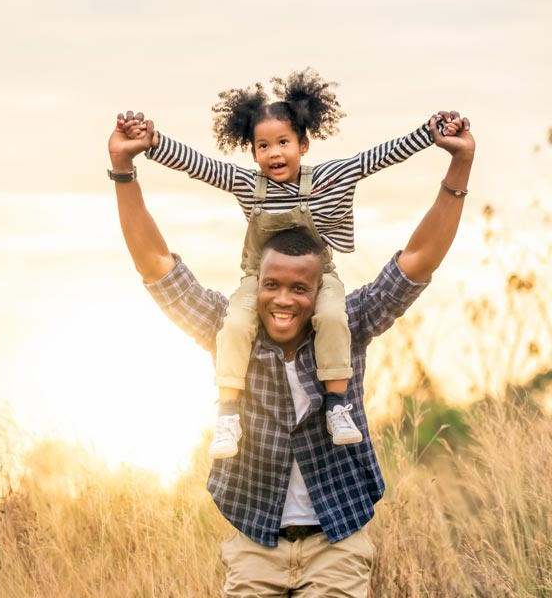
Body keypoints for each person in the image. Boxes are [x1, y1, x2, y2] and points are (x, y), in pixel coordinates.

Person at [108, 109, 474, 596]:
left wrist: (459, 166)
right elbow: (156, 265)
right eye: (272, 285)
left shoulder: (348, 323)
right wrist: (123, 171)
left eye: (299, 288)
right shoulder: (228, 328)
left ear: (320, 289)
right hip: (255, 546)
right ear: (255, 283)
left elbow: (418, 260)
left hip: (336, 545)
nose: (283, 299)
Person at [117, 68, 457, 460]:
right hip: (258, 278)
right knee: (235, 325)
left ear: (304, 143)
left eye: (283, 142)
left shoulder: (331, 177)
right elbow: (199, 166)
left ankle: (336, 406)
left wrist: (429, 134)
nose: (274, 153)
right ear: (253, 151)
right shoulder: (247, 185)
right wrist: (151, 143)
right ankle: (227, 412)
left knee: (333, 318)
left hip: (319, 278)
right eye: (263, 146)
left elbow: (377, 158)